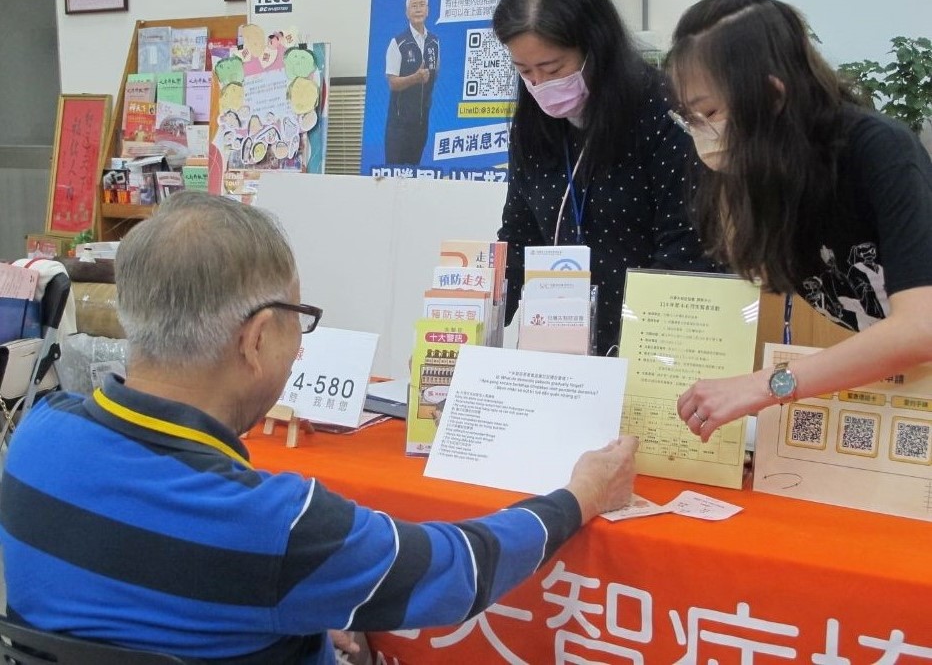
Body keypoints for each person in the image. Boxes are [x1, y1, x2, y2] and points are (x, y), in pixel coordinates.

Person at [0, 191, 639, 665]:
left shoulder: (33, 440)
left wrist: (287, 620)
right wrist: (579, 496)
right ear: (255, 339)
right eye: (296, 321)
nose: (299, 349)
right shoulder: (278, 525)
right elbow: (461, 571)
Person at [667, 0, 932, 440]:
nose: (702, 132)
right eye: (690, 117)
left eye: (710, 111)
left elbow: (921, 326)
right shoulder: (761, 174)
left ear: (772, 96)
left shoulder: (878, 151)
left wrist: (767, 385)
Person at [492, 0, 716, 357]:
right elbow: (519, 237)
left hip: (657, 348)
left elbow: (686, 253)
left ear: (595, 47)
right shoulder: (532, 126)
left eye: (553, 68)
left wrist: (636, 359)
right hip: (560, 347)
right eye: (524, 71)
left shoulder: (663, 114)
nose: (540, 86)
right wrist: (472, 327)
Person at [384, 0, 440, 165]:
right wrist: (415, 78)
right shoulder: (398, 43)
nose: (418, 9)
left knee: (414, 174)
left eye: (421, 5)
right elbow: (392, 82)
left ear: (428, 10)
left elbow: (435, 73)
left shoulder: (434, 42)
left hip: (421, 124)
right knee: (394, 176)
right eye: (414, 6)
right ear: (407, 12)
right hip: (399, 126)